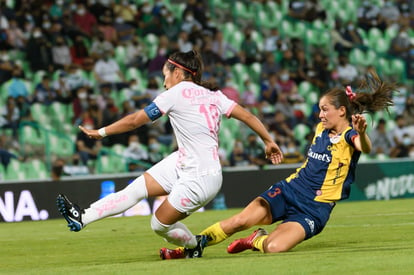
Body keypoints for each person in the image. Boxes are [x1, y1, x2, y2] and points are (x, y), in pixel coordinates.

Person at [56, 50, 283, 258]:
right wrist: (268, 140)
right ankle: (82, 216)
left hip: (200, 177)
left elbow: (136, 121)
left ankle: (194, 245)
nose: (164, 81)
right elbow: (249, 117)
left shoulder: (176, 93)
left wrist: (101, 132)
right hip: (185, 161)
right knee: (134, 190)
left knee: (158, 225)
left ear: (177, 72)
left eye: (165, 75)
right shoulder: (214, 96)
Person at [160, 69, 397, 259]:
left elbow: (363, 148)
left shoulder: (350, 136)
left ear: (342, 111)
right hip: (289, 190)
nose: (320, 115)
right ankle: (189, 248)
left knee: (274, 248)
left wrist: (362, 132)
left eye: (325, 110)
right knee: (238, 221)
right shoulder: (320, 129)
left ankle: (256, 239)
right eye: (320, 110)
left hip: (314, 209)